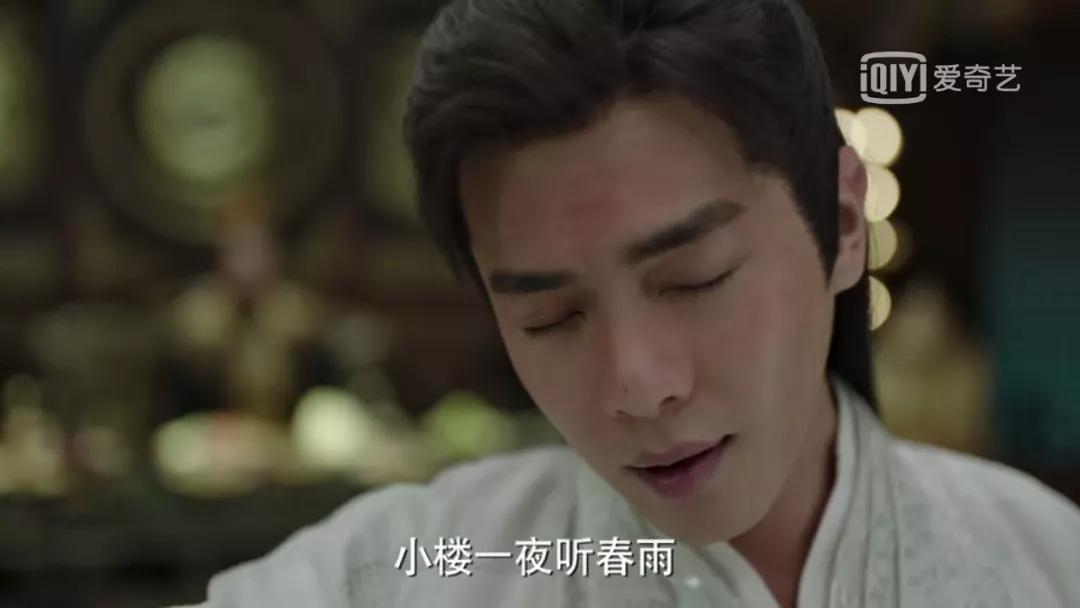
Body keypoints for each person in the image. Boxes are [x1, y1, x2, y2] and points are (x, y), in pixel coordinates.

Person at [180, 0, 1080, 606]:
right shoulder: (397, 575)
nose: (640, 386)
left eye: (696, 278)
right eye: (551, 318)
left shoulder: (1047, 563)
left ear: (844, 223)